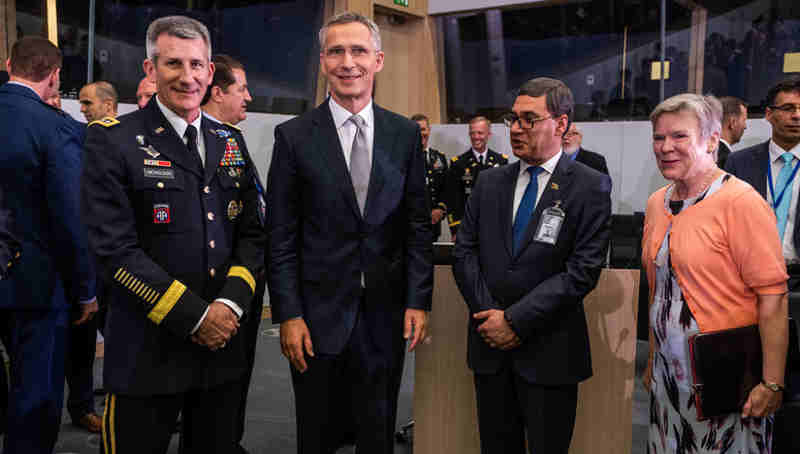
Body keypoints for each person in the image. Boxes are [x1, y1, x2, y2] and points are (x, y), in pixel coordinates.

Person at [81, 16, 266, 454]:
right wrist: (196, 317)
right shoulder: (113, 141)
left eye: (197, 65)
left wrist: (228, 305)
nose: (188, 76)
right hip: (147, 353)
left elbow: (254, 235)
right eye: (173, 64)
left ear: (209, 71)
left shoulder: (230, 141)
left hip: (221, 352)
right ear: (150, 70)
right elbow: (113, 249)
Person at [267, 11, 433, 454]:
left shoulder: (403, 135)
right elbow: (280, 236)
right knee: (316, 436)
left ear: (378, 60)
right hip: (315, 319)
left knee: (377, 435)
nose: (348, 61)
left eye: (358, 50)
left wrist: (418, 299)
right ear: (323, 61)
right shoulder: (294, 137)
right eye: (336, 51)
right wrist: (288, 314)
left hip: (385, 315)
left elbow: (417, 225)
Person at [452, 77, 612, 454]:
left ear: (561, 124)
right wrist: (489, 316)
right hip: (489, 348)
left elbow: (583, 270)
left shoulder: (590, 186)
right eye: (514, 120)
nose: (517, 129)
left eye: (529, 119)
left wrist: (515, 321)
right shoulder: (489, 182)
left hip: (550, 351)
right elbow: (464, 253)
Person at [644, 93, 788, 453]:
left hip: (725, 376)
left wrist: (772, 382)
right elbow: (658, 289)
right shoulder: (656, 203)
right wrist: (651, 359)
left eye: (679, 136)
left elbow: (773, 298)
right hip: (668, 375)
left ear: (710, 141)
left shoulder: (740, 202)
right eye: (659, 137)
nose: (665, 147)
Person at [0, 35, 97, 454]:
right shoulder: (59, 129)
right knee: (35, 396)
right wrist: (86, 289)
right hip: (36, 285)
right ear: (56, 77)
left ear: (8, 64)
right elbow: (69, 218)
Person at [724, 76, 800, 453]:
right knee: (749, 383)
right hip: (746, 288)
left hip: (798, 282)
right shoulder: (740, 163)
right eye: (788, 108)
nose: (797, 116)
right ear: (768, 115)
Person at [201, 53, 263, 454]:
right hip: (214, 284)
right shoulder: (201, 138)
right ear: (218, 92)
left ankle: (228, 439)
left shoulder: (231, 138)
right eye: (241, 89)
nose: (249, 97)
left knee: (238, 369)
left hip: (245, 275)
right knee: (216, 377)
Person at [446, 116, 508, 237]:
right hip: (468, 226)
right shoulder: (458, 163)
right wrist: (455, 229)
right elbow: (453, 200)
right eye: (472, 133)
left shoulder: (501, 162)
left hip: (495, 225)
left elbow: (506, 197)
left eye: (480, 133)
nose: (476, 137)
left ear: (489, 134)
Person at [411, 113, 448, 241]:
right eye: (417, 130)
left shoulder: (439, 158)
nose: (421, 134)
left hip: (433, 224)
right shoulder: (404, 157)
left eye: (423, 129)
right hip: (411, 225)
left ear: (429, 130)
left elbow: (446, 188)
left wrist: (440, 209)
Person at [717, 96, 747, 169]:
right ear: (733, 123)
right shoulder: (727, 160)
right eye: (744, 120)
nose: (745, 126)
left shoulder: (704, 153)